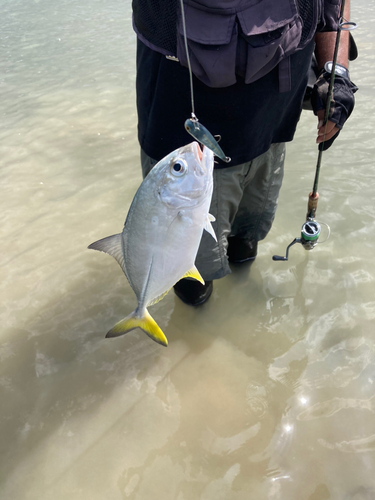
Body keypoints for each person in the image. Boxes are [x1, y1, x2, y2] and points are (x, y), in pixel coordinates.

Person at [132, 0, 358, 306]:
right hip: (183, 141)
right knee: (191, 279)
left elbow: (333, 5)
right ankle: (196, 330)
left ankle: (235, 318)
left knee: (246, 244)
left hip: (272, 124)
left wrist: (336, 72)